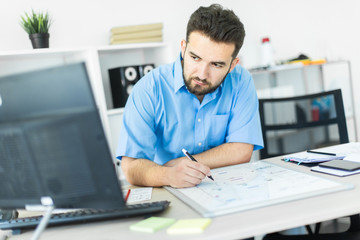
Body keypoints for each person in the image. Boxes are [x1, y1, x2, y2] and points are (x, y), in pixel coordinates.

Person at [116, 4, 263, 188]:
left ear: (232, 65)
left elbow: (241, 150)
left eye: (216, 65)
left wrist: (180, 163)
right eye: (195, 58)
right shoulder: (148, 89)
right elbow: (131, 168)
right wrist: (168, 174)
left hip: (228, 187)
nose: (202, 74)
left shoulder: (241, 81)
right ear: (183, 48)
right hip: (170, 188)